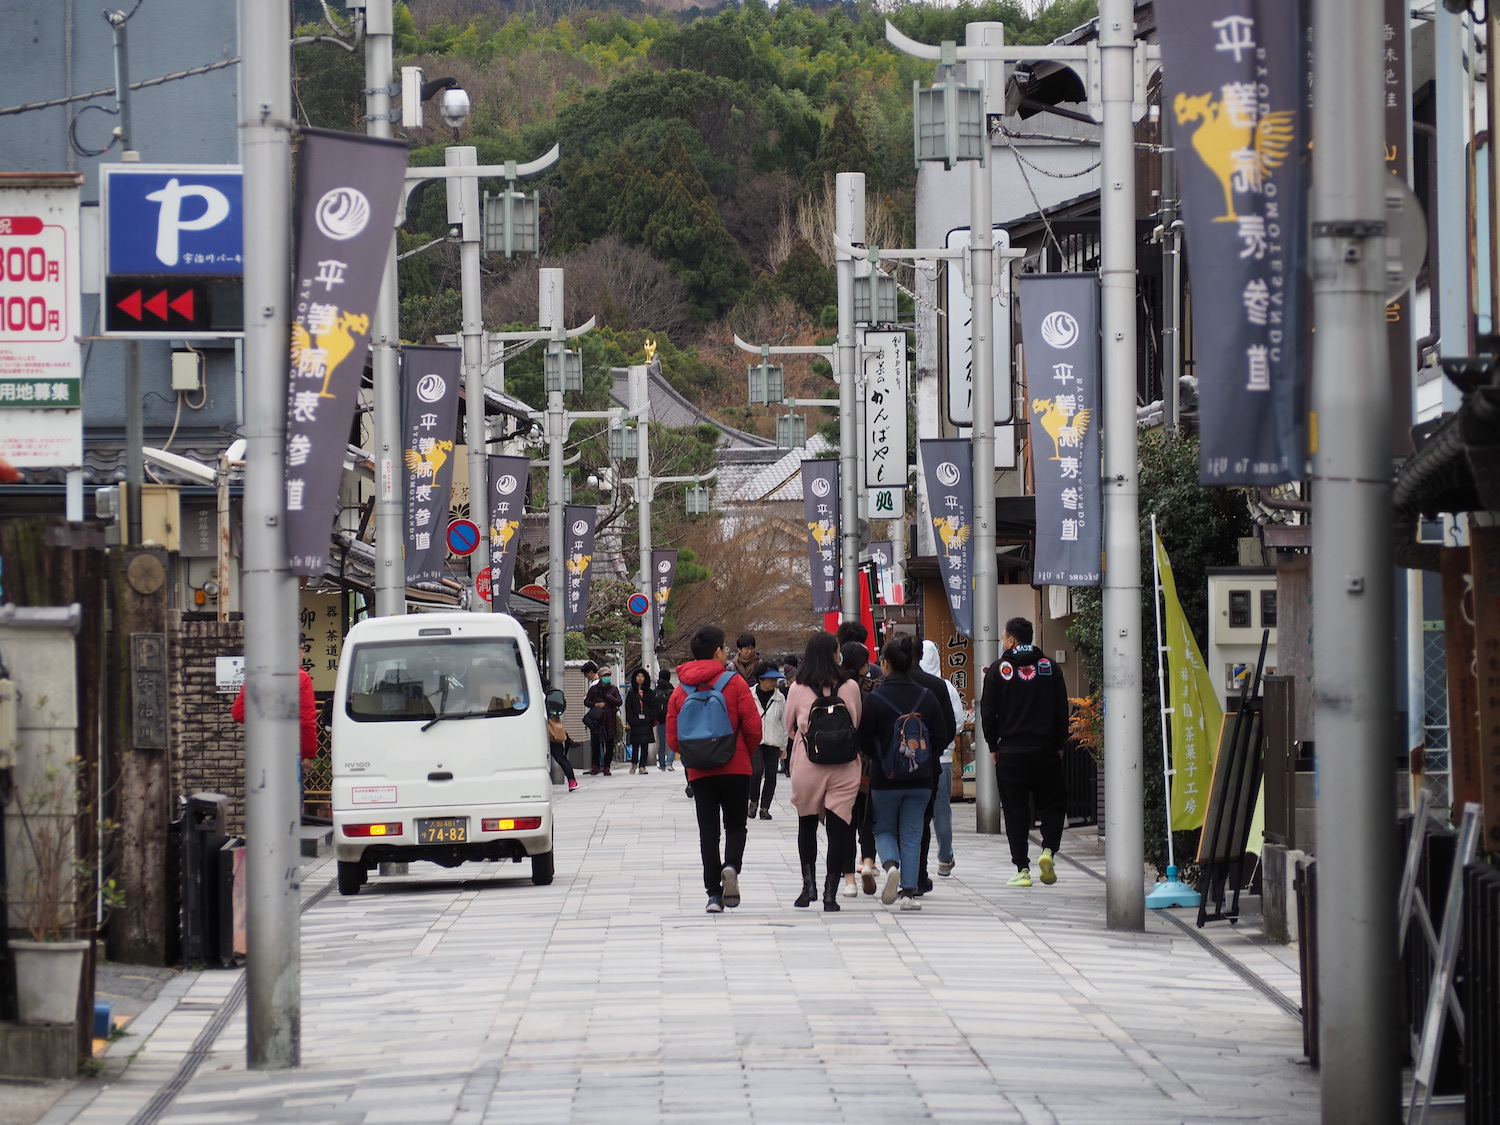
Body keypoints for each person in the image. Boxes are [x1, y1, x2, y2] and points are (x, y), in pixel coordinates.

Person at [666, 625, 762, 913]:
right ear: (718, 651)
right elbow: (754, 728)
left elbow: (673, 738)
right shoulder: (734, 683)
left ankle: (713, 895)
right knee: (735, 825)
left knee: (708, 832)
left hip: (700, 771)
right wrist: (742, 752)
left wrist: (695, 754)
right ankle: (730, 866)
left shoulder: (680, 689)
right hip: (735, 767)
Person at [979, 617, 1069, 888]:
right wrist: (1059, 745)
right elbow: (1062, 710)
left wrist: (993, 746)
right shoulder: (1049, 667)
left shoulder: (998, 670)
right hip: (1045, 749)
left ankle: (1022, 869)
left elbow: (988, 712)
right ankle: (1048, 850)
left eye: (1003, 637)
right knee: (1052, 803)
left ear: (1011, 640)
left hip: (1011, 750)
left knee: (1015, 810)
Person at [857, 638, 943, 910]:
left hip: (885, 778)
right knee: (912, 832)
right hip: (921, 779)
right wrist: (925, 759)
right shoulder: (927, 696)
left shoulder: (876, 697)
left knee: (883, 828)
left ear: (885, 664)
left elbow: (863, 739)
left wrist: (881, 757)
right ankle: (908, 892)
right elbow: (941, 735)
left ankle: (891, 865)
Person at [785, 633, 864, 911]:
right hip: (844, 766)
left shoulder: (797, 687)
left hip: (808, 763)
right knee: (839, 828)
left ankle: (808, 887)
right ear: (834, 654)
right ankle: (831, 894)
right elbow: (855, 721)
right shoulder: (850, 686)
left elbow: (789, 727)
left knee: (806, 824)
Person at [902, 636, 958, 894]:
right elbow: (950, 725)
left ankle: (898, 867)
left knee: (900, 819)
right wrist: (933, 751)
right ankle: (927, 869)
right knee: (930, 816)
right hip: (934, 763)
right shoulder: (940, 686)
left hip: (896, 763)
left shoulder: (889, 684)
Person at [231, 667, 318, 812]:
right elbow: (306, 721)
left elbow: (238, 713)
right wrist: (309, 754)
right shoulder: (300, 677)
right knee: (290, 805)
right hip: (289, 752)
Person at [919, 639, 965, 879]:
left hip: (913, 759)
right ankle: (945, 858)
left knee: (916, 813)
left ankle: (914, 862)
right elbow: (958, 722)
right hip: (943, 759)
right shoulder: (946, 687)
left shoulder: (912, 684)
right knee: (942, 812)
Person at [839, 641, 880, 898]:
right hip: (867, 764)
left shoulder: (836, 687)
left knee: (845, 821)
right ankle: (867, 862)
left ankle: (849, 880)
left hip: (841, 763)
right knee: (867, 818)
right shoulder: (874, 688)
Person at [748, 662, 787, 820]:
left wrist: (784, 746)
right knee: (756, 771)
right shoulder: (749, 695)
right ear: (760, 679)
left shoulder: (780, 698)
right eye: (770, 679)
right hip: (755, 740)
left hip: (773, 740)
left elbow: (784, 723)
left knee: (771, 775)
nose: (773, 682)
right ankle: (753, 802)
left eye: (774, 679)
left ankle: (765, 808)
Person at [582, 663, 622, 777]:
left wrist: (610, 698)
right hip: (597, 720)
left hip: (610, 719)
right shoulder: (594, 689)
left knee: (609, 744)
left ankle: (606, 767)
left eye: (608, 675)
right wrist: (596, 704)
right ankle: (595, 766)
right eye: (605, 675)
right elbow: (586, 702)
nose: (607, 677)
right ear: (600, 676)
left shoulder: (613, 689)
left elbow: (619, 702)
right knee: (595, 744)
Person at [622, 667, 657, 775]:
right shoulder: (631, 693)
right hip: (635, 722)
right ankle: (634, 763)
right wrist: (631, 720)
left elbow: (653, 707)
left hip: (646, 722)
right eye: (638, 676)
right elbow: (628, 708)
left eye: (642, 676)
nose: (640, 678)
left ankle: (642, 765)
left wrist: (651, 718)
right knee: (635, 744)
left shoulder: (650, 693)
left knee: (645, 745)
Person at [652, 669, 676, 771]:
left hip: (660, 719)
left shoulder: (656, 691)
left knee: (661, 742)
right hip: (671, 718)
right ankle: (669, 762)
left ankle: (662, 764)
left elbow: (652, 706)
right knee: (672, 741)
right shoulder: (672, 690)